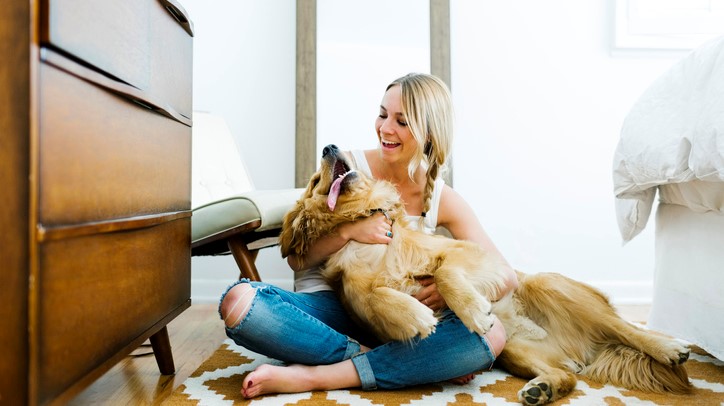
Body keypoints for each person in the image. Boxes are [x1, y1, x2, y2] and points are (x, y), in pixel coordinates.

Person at [219, 72, 518, 398]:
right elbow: (296, 259)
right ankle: (387, 363)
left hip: (403, 321)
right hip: (330, 312)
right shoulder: (344, 167)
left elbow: (506, 276)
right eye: (382, 114)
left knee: (493, 335)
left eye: (402, 122)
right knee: (239, 303)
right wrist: (348, 231)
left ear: (430, 134)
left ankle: (318, 376)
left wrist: (446, 292)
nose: (385, 128)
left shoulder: (443, 198)